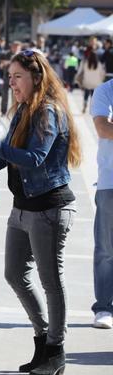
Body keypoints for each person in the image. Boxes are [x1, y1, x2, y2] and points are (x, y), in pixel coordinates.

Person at [0, 50, 81, 375]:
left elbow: (33, 158)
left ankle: (55, 349)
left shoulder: (49, 111)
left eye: (17, 77)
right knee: (14, 274)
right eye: (10, 77)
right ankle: (43, 340)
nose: (12, 83)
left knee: (51, 281)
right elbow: (7, 157)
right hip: (23, 208)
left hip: (50, 207)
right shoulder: (24, 109)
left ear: (37, 78)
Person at [92, 77, 113, 330]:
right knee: (107, 250)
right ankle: (104, 307)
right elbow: (102, 128)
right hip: (110, 180)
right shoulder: (105, 91)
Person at [76, 45, 106, 113]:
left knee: (86, 93)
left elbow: (81, 71)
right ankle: (92, 107)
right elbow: (102, 73)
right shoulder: (99, 64)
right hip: (96, 83)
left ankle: (85, 104)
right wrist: (101, 80)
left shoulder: (86, 63)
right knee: (93, 95)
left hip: (87, 82)